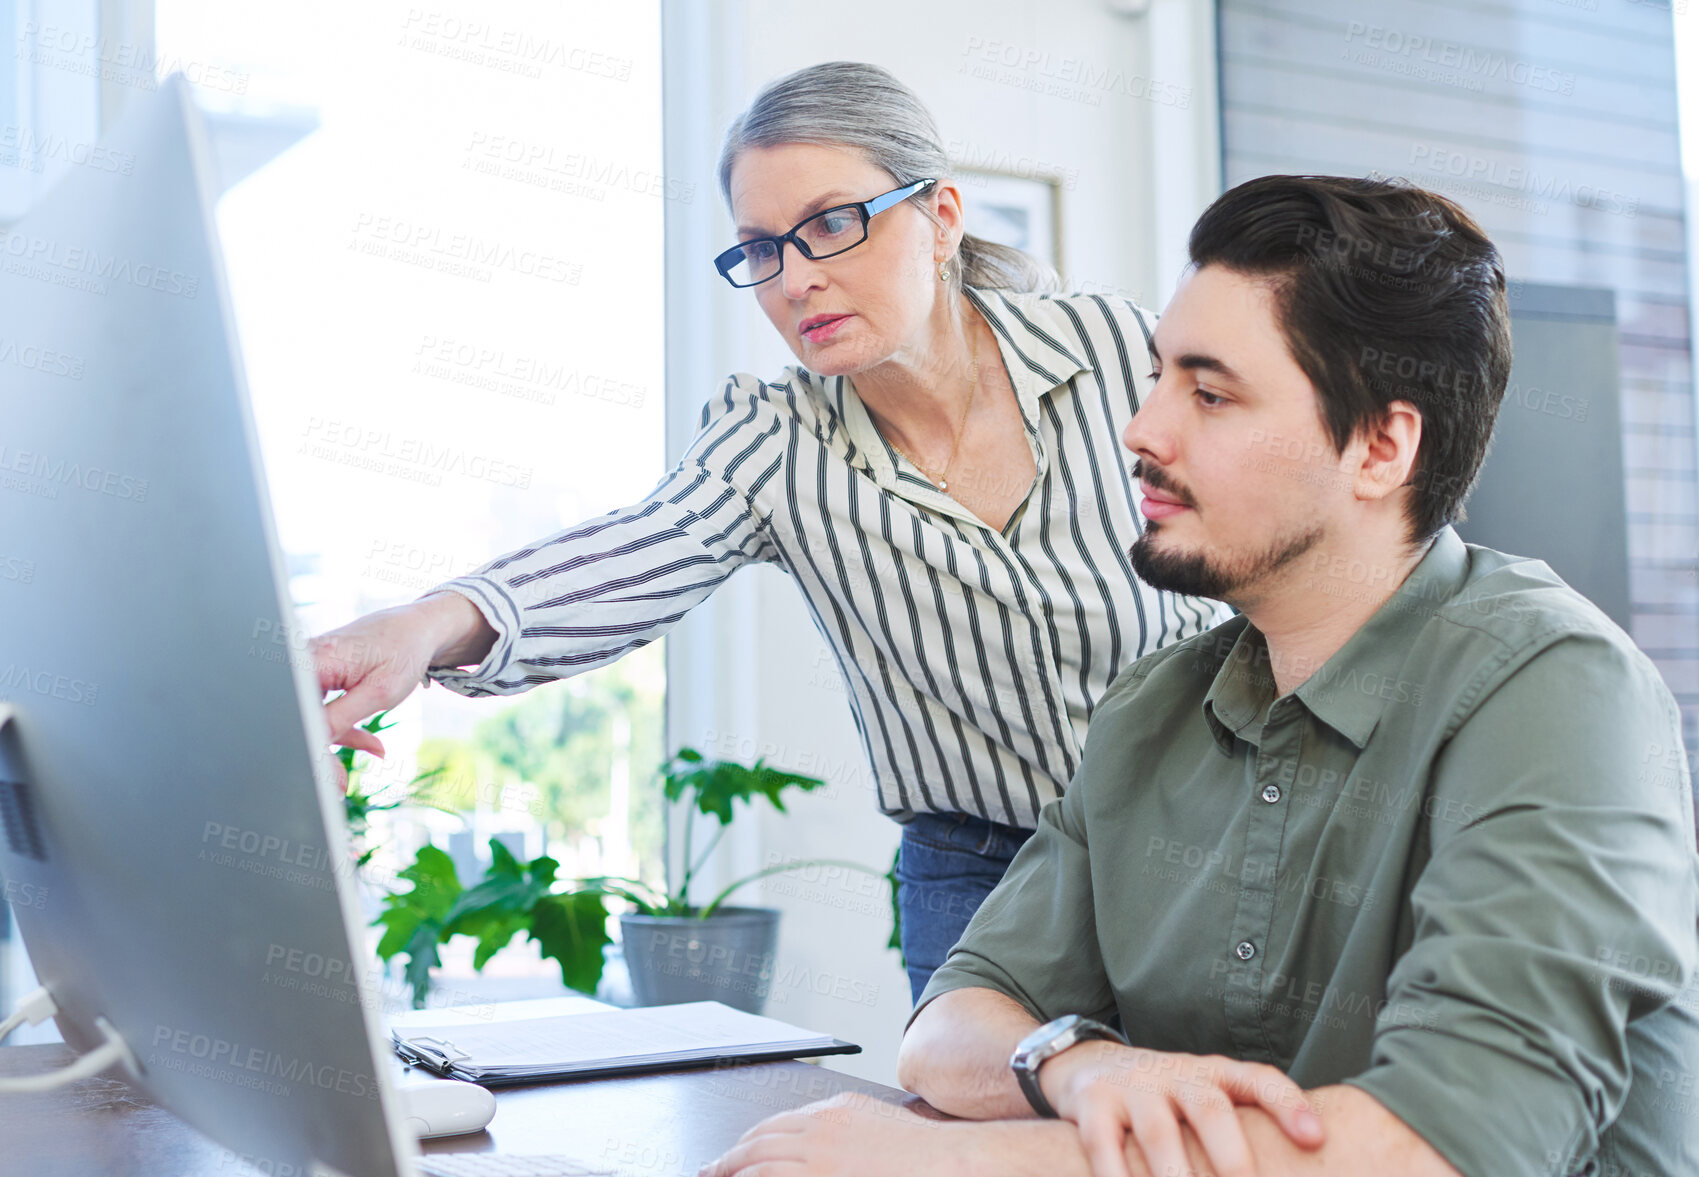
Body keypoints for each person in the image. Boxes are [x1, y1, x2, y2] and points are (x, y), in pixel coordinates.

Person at [699, 175, 1699, 1177]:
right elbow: (954, 1019)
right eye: (1156, 378)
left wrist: (948, 1165)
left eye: (1209, 394)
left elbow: (1444, 1144)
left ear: (1381, 447)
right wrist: (1078, 1067)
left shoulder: (1557, 692)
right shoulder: (1155, 705)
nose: (1140, 431)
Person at [309, 60, 1225, 1000]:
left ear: (941, 217)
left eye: (832, 224)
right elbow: (629, 555)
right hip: (983, 874)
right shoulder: (774, 438)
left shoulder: (1120, 351)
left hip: (1207, 833)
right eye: (762, 248)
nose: (796, 280)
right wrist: (420, 627)